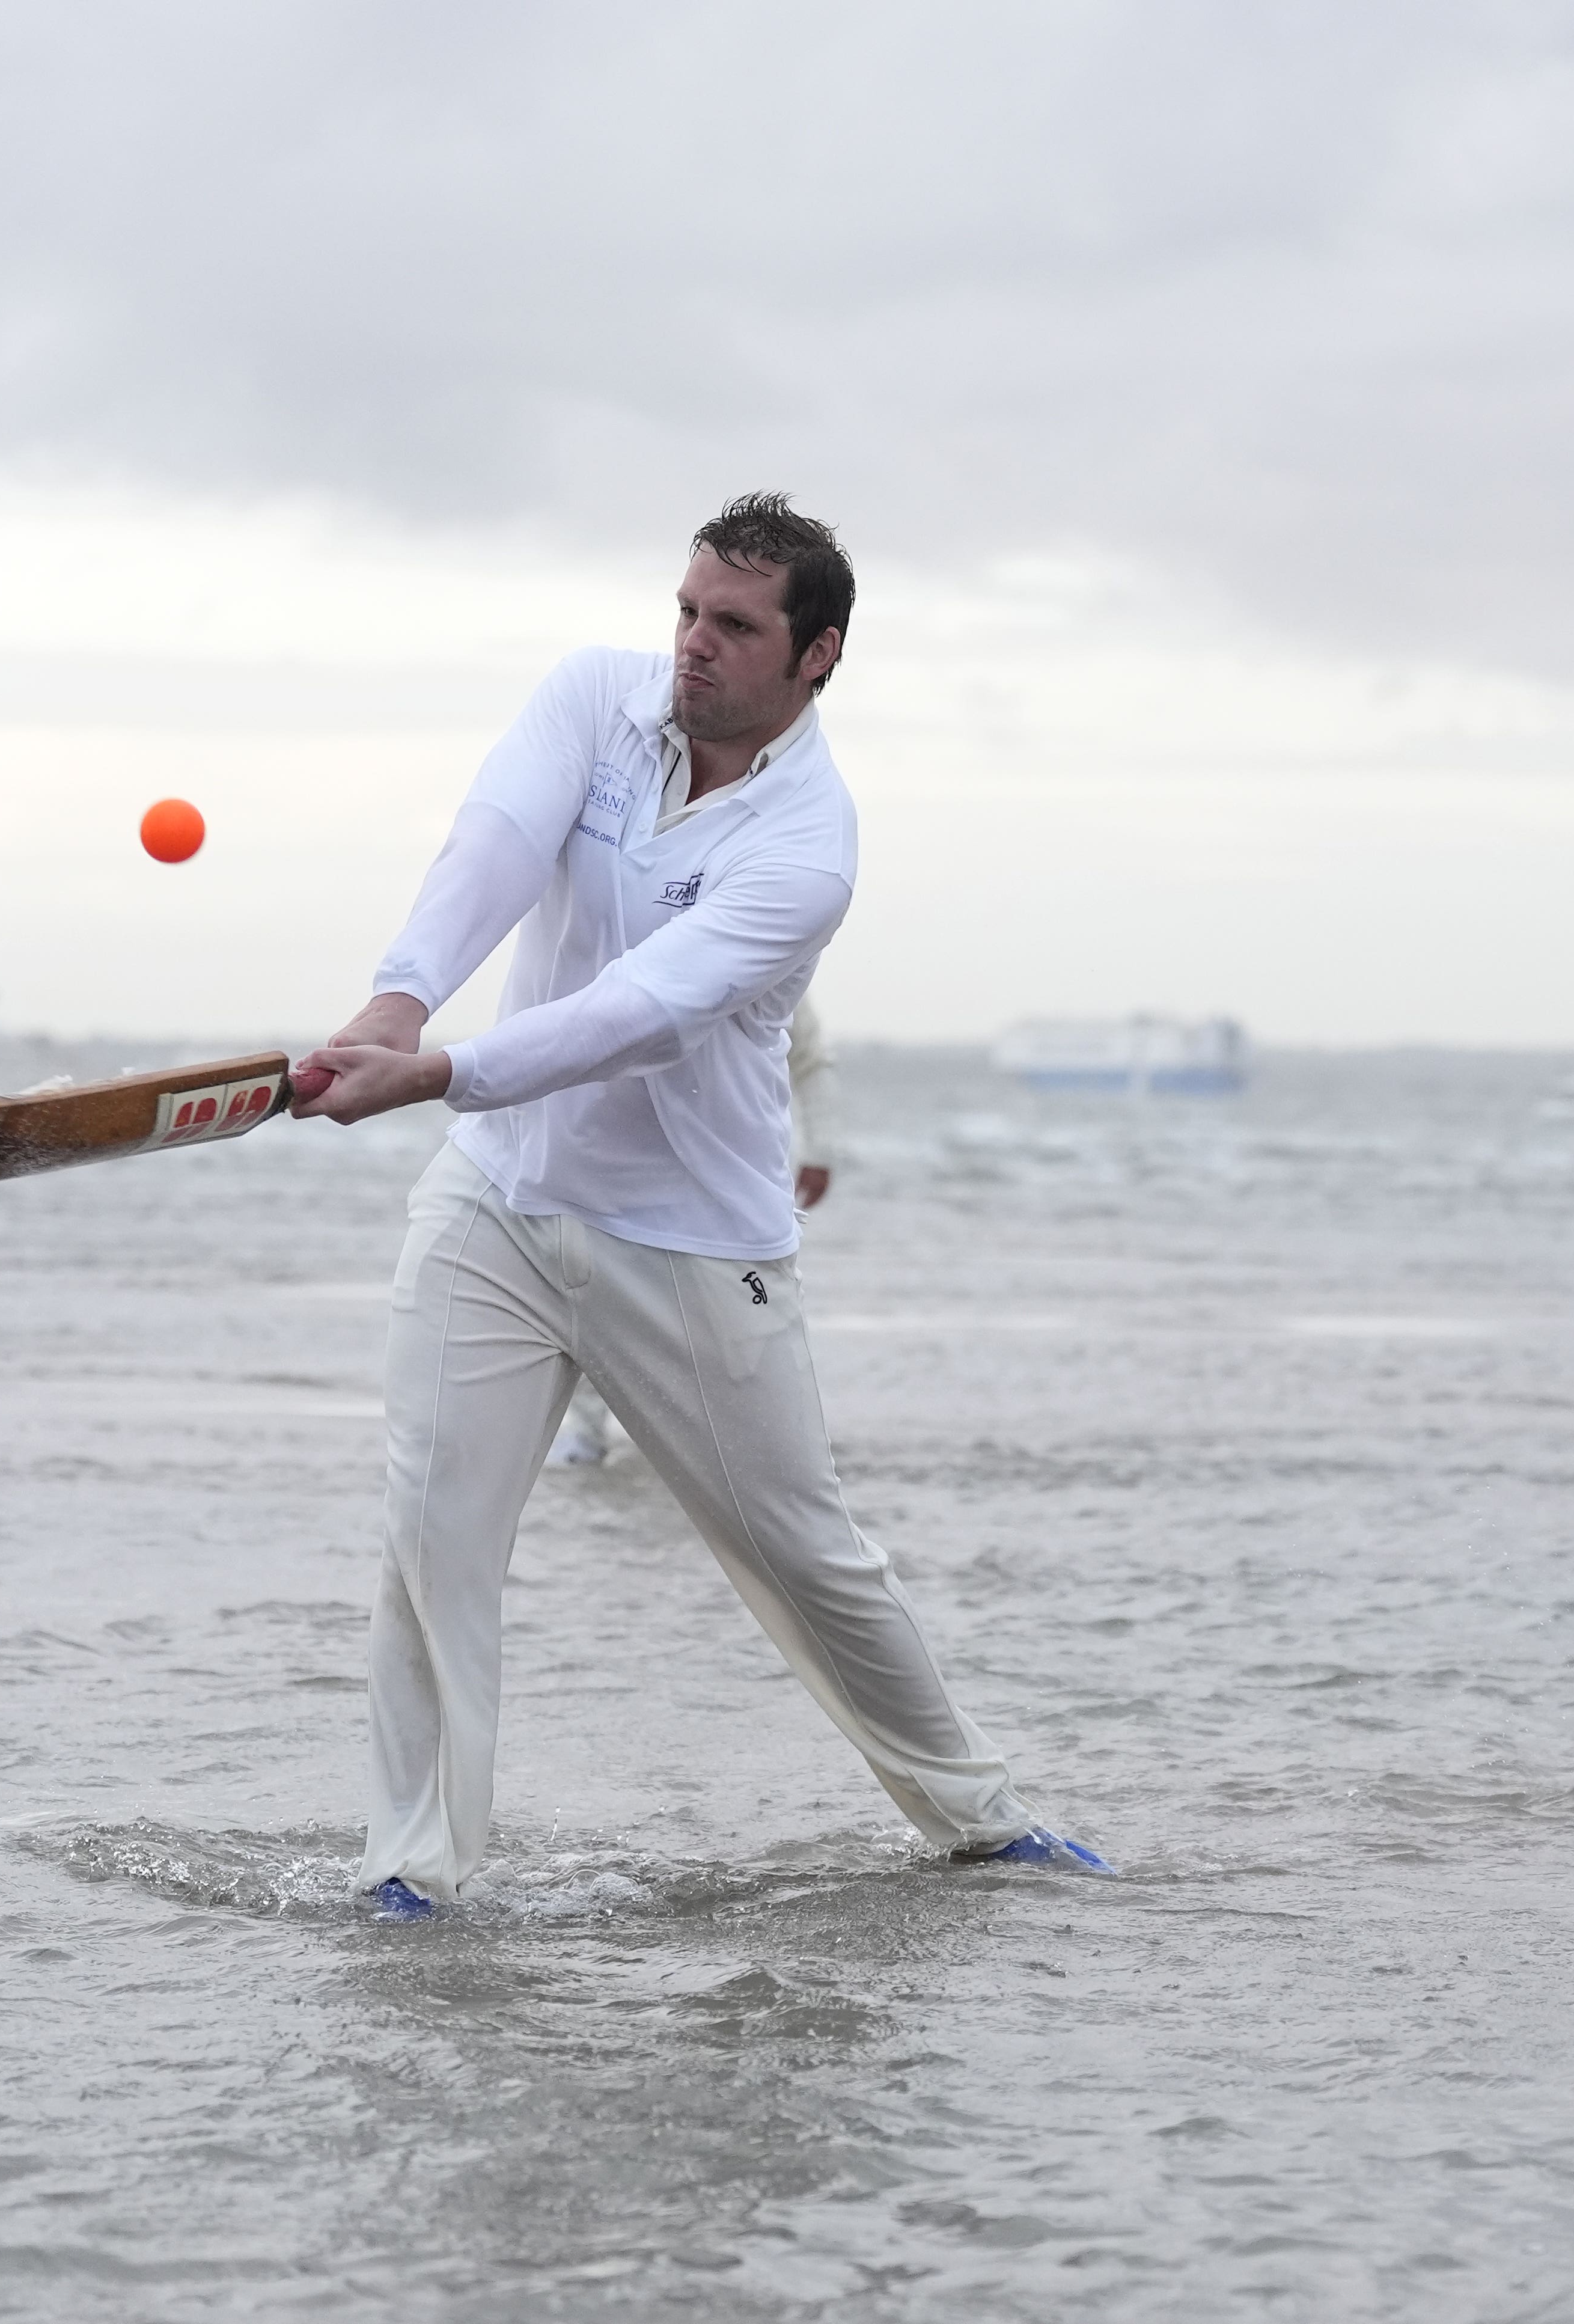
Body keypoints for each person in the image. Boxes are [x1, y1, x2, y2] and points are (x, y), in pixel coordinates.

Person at [292, 493, 1104, 1918]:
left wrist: (430, 1072)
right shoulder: (592, 699)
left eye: (734, 627)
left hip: (690, 1242)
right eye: (685, 611)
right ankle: (409, 1873)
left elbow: (637, 1014)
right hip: (496, 1203)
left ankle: (978, 1819)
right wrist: (396, 998)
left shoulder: (808, 848)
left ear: (818, 657)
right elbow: (492, 847)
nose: (693, 647)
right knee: (431, 1532)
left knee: (804, 1553)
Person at [549, 988, 833, 1467]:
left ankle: (761, 1440)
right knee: (595, 1294)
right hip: (618, 1165)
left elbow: (809, 1056)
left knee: (743, 1307)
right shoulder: (612, 955)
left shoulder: (757, 952)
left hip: (734, 1175)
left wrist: (822, 1151)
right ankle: (587, 1436)